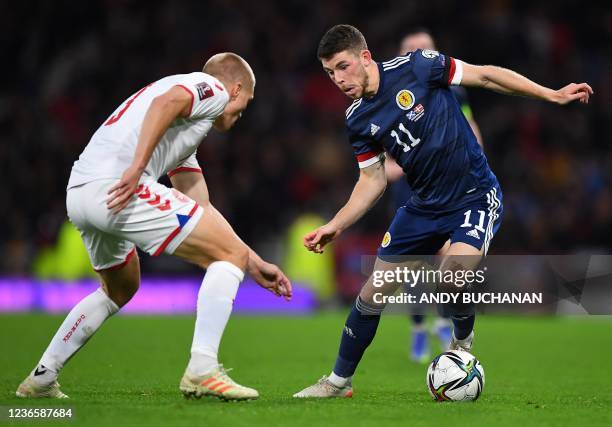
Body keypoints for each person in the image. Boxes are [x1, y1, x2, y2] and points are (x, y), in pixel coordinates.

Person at [294, 24, 592, 398]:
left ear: (364, 57)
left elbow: (484, 76)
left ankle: (462, 342)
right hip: (423, 206)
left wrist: (549, 94)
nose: (338, 79)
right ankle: (338, 382)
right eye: (330, 73)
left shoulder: (418, 66)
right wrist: (335, 224)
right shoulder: (357, 119)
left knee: (451, 276)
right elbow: (372, 181)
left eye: (342, 67)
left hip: (474, 195)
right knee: (372, 294)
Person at [16, 52, 292, 401]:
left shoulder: (185, 132)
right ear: (236, 89)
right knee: (227, 256)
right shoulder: (211, 89)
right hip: (120, 184)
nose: (241, 113)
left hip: (81, 194)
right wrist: (138, 166)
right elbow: (169, 102)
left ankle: (43, 376)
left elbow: (202, 209)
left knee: (120, 288)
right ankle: (203, 369)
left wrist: (252, 262)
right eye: (245, 103)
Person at [391, 28, 483, 362]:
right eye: (413, 51)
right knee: (413, 267)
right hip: (411, 193)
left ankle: (444, 321)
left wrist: (477, 163)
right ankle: (418, 329)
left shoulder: (453, 93)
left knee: (450, 262)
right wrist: (406, 163)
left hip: (452, 191)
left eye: (427, 50)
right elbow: (385, 164)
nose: (421, 57)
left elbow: (471, 129)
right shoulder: (392, 101)